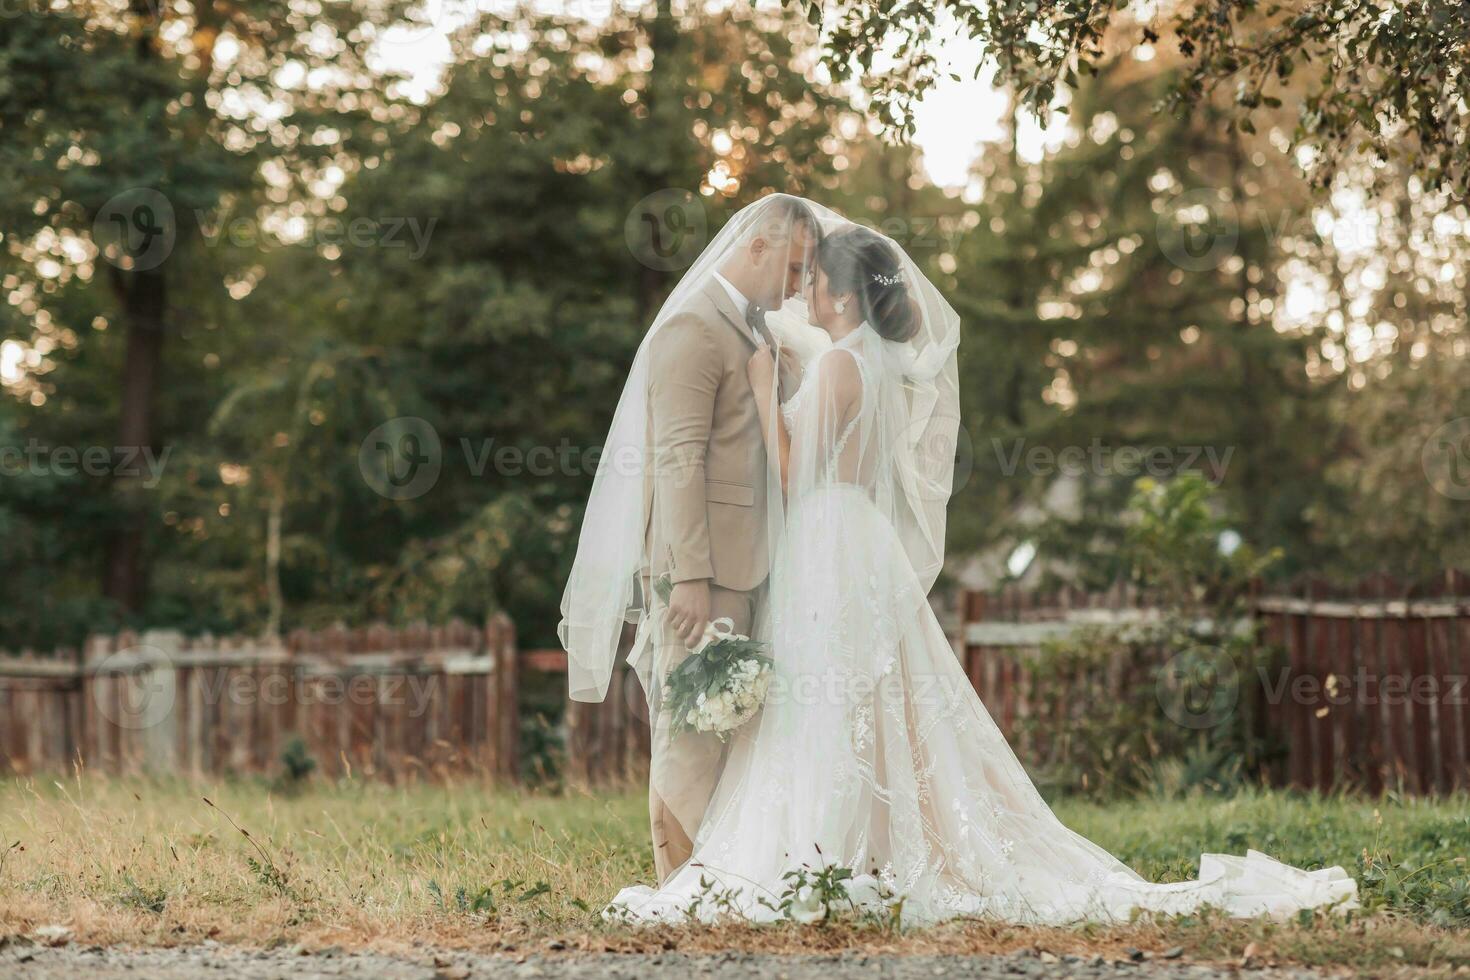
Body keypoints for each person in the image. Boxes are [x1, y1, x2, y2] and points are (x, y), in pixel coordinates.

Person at [587, 197, 1359, 926]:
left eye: (815, 281)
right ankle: (858, 845)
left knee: (828, 700)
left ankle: (821, 848)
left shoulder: (841, 366)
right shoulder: (875, 364)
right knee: (868, 700)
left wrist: (761, 388)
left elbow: (792, 470)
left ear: (847, 299)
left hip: (826, 541)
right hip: (854, 541)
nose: (806, 294)